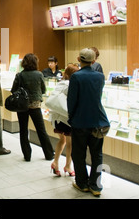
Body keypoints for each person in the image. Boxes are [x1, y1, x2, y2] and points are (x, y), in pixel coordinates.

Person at [67, 48, 110, 197]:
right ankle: (96, 186)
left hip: (80, 121)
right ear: (93, 61)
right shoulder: (100, 77)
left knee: (78, 154)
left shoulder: (76, 77)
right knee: (97, 154)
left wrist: (71, 117)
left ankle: (82, 183)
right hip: (99, 121)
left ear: (79, 59)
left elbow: (71, 100)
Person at [12, 53, 54, 161]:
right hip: (35, 106)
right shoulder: (39, 74)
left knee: (23, 130)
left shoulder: (20, 75)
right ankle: (49, 154)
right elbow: (43, 90)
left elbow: (13, 90)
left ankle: (27, 155)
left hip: (22, 106)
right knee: (41, 130)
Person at [47, 64, 79, 177]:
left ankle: (55, 162)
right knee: (70, 143)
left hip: (56, 118)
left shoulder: (60, 84)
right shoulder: (71, 85)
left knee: (62, 140)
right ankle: (68, 166)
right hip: (66, 118)